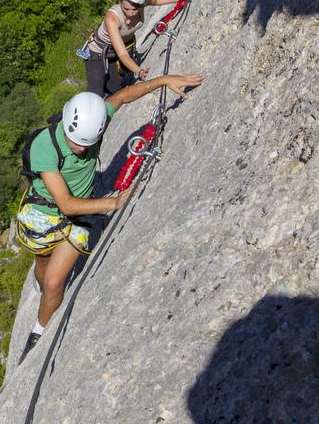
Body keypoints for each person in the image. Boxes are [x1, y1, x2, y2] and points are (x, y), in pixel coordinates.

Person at [14, 73, 204, 364]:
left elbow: (124, 96)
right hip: (46, 212)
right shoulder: (45, 146)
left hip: (80, 216)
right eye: (74, 141)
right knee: (41, 267)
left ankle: (38, 330)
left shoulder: (95, 121)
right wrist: (114, 202)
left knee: (54, 282)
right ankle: (41, 290)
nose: (79, 148)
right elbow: (65, 203)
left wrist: (165, 80)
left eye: (85, 144)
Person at [80, 0, 183, 97]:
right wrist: (139, 71)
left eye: (134, 9)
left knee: (115, 88)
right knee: (95, 93)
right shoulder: (112, 18)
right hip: (97, 53)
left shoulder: (141, 2)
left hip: (120, 49)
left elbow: (157, 0)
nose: (130, 13)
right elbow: (122, 54)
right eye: (126, 8)